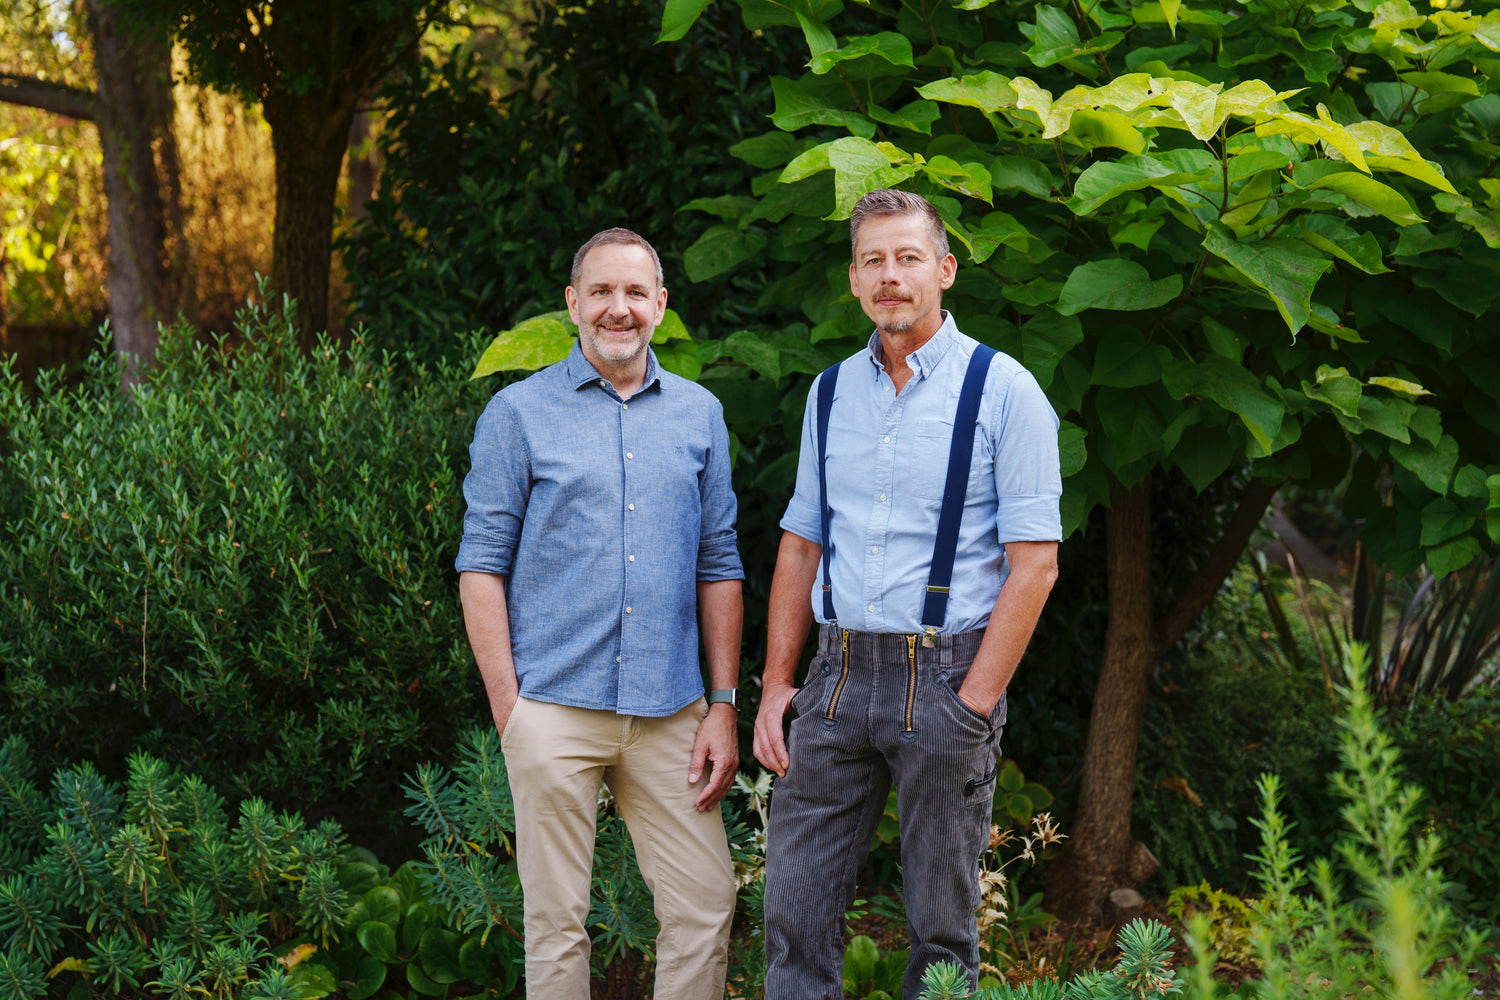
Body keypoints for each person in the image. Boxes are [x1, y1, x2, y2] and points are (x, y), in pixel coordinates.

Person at [753, 189, 1061, 999]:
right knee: (793, 916)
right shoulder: (829, 394)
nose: (891, 277)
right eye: (874, 261)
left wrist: (975, 698)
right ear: (854, 281)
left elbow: (1035, 565)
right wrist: (778, 685)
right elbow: (800, 543)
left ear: (946, 271)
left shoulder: (1005, 390)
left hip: (948, 675)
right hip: (836, 675)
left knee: (943, 933)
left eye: (909, 258)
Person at [455, 228, 744, 1000]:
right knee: (556, 925)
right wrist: (510, 708)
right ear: (573, 304)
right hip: (552, 706)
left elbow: (719, 562)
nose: (620, 309)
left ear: (660, 306)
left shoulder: (700, 414)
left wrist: (723, 704)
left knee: (706, 903)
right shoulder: (516, 415)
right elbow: (480, 565)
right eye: (603, 292)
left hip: (672, 711)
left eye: (636, 293)